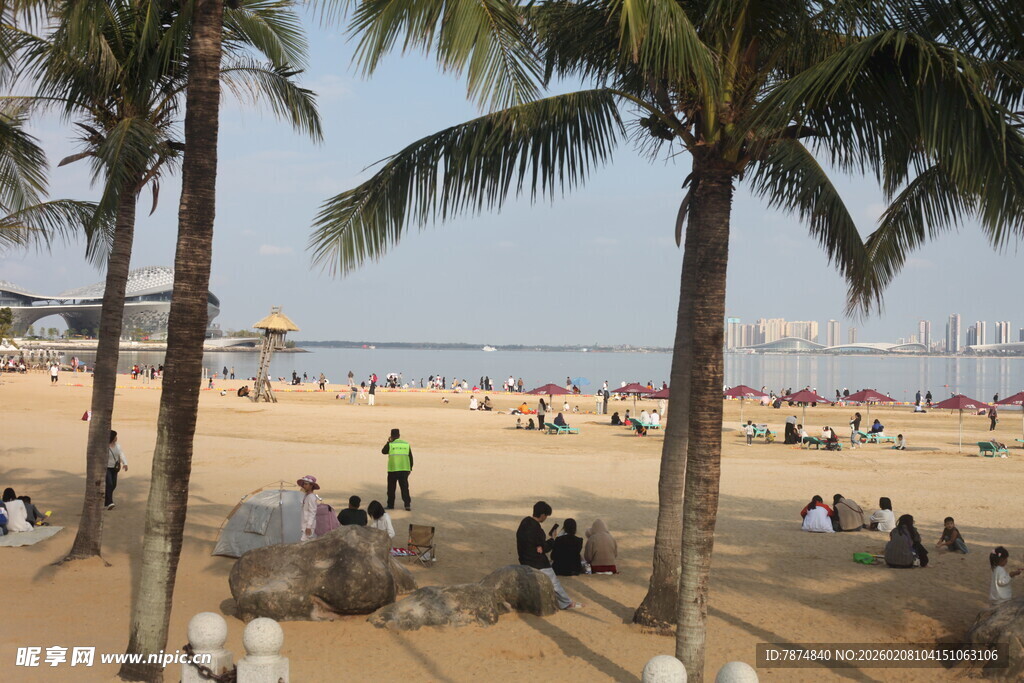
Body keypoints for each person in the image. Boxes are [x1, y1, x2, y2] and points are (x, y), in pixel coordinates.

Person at [516, 501, 582, 609]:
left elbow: (540, 546)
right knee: (554, 582)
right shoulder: (537, 530)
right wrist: (552, 539)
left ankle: (565, 602)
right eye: (546, 515)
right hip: (536, 561)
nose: (545, 518)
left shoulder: (524, 522)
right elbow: (545, 548)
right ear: (542, 515)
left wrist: (540, 546)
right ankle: (566, 603)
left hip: (524, 558)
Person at [382, 428, 413, 511]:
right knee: (404, 488)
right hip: (404, 469)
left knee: (391, 489)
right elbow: (410, 457)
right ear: (399, 435)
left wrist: (388, 442)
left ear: (391, 436)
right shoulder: (406, 444)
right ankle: (407, 505)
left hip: (393, 469)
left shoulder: (391, 444)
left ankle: (390, 505)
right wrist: (410, 469)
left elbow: (383, 451)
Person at [106, 430, 128, 510]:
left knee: (114, 485)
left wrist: (125, 463)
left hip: (115, 468)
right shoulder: (105, 447)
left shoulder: (118, 446)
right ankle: (110, 502)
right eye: (115, 437)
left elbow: (121, 454)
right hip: (107, 468)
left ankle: (106, 499)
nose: (116, 438)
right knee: (110, 484)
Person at [297, 475, 320, 542]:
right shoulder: (306, 496)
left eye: (306, 484)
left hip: (308, 525)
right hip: (305, 524)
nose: (304, 485)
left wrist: (309, 526)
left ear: (311, 485)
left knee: (305, 542)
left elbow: (312, 512)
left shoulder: (311, 497)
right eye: (304, 484)